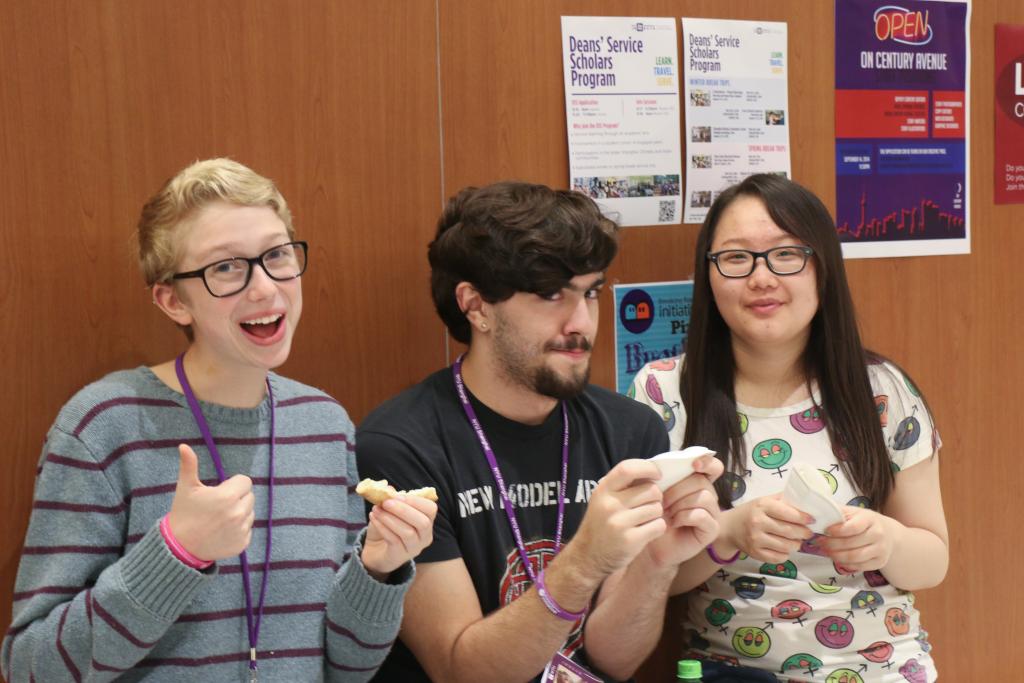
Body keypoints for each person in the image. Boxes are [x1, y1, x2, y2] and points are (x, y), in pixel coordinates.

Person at [1, 158, 437, 681]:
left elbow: (348, 668)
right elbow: (31, 667)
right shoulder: (104, 425)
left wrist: (376, 570)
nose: (265, 288)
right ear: (172, 300)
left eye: (276, 255)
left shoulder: (324, 425)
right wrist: (177, 552)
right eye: (225, 267)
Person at [356, 181, 723, 683]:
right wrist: (587, 560)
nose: (581, 322)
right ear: (477, 306)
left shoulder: (630, 430)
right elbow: (462, 672)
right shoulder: (399, 448)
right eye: (551, 294)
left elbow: (616, 660)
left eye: (590, 292)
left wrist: (657, 561)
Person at [630, 174, 947, 682]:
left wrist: (886, 542)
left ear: (823, 268)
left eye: (786, 254)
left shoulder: (881, 391)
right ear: (708, 275)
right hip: (731, 671)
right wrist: (728, 533)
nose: (761, 278)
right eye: (736, 258)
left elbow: (934, 561)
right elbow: (649, 578)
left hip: (883, 669)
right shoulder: (664, 394)